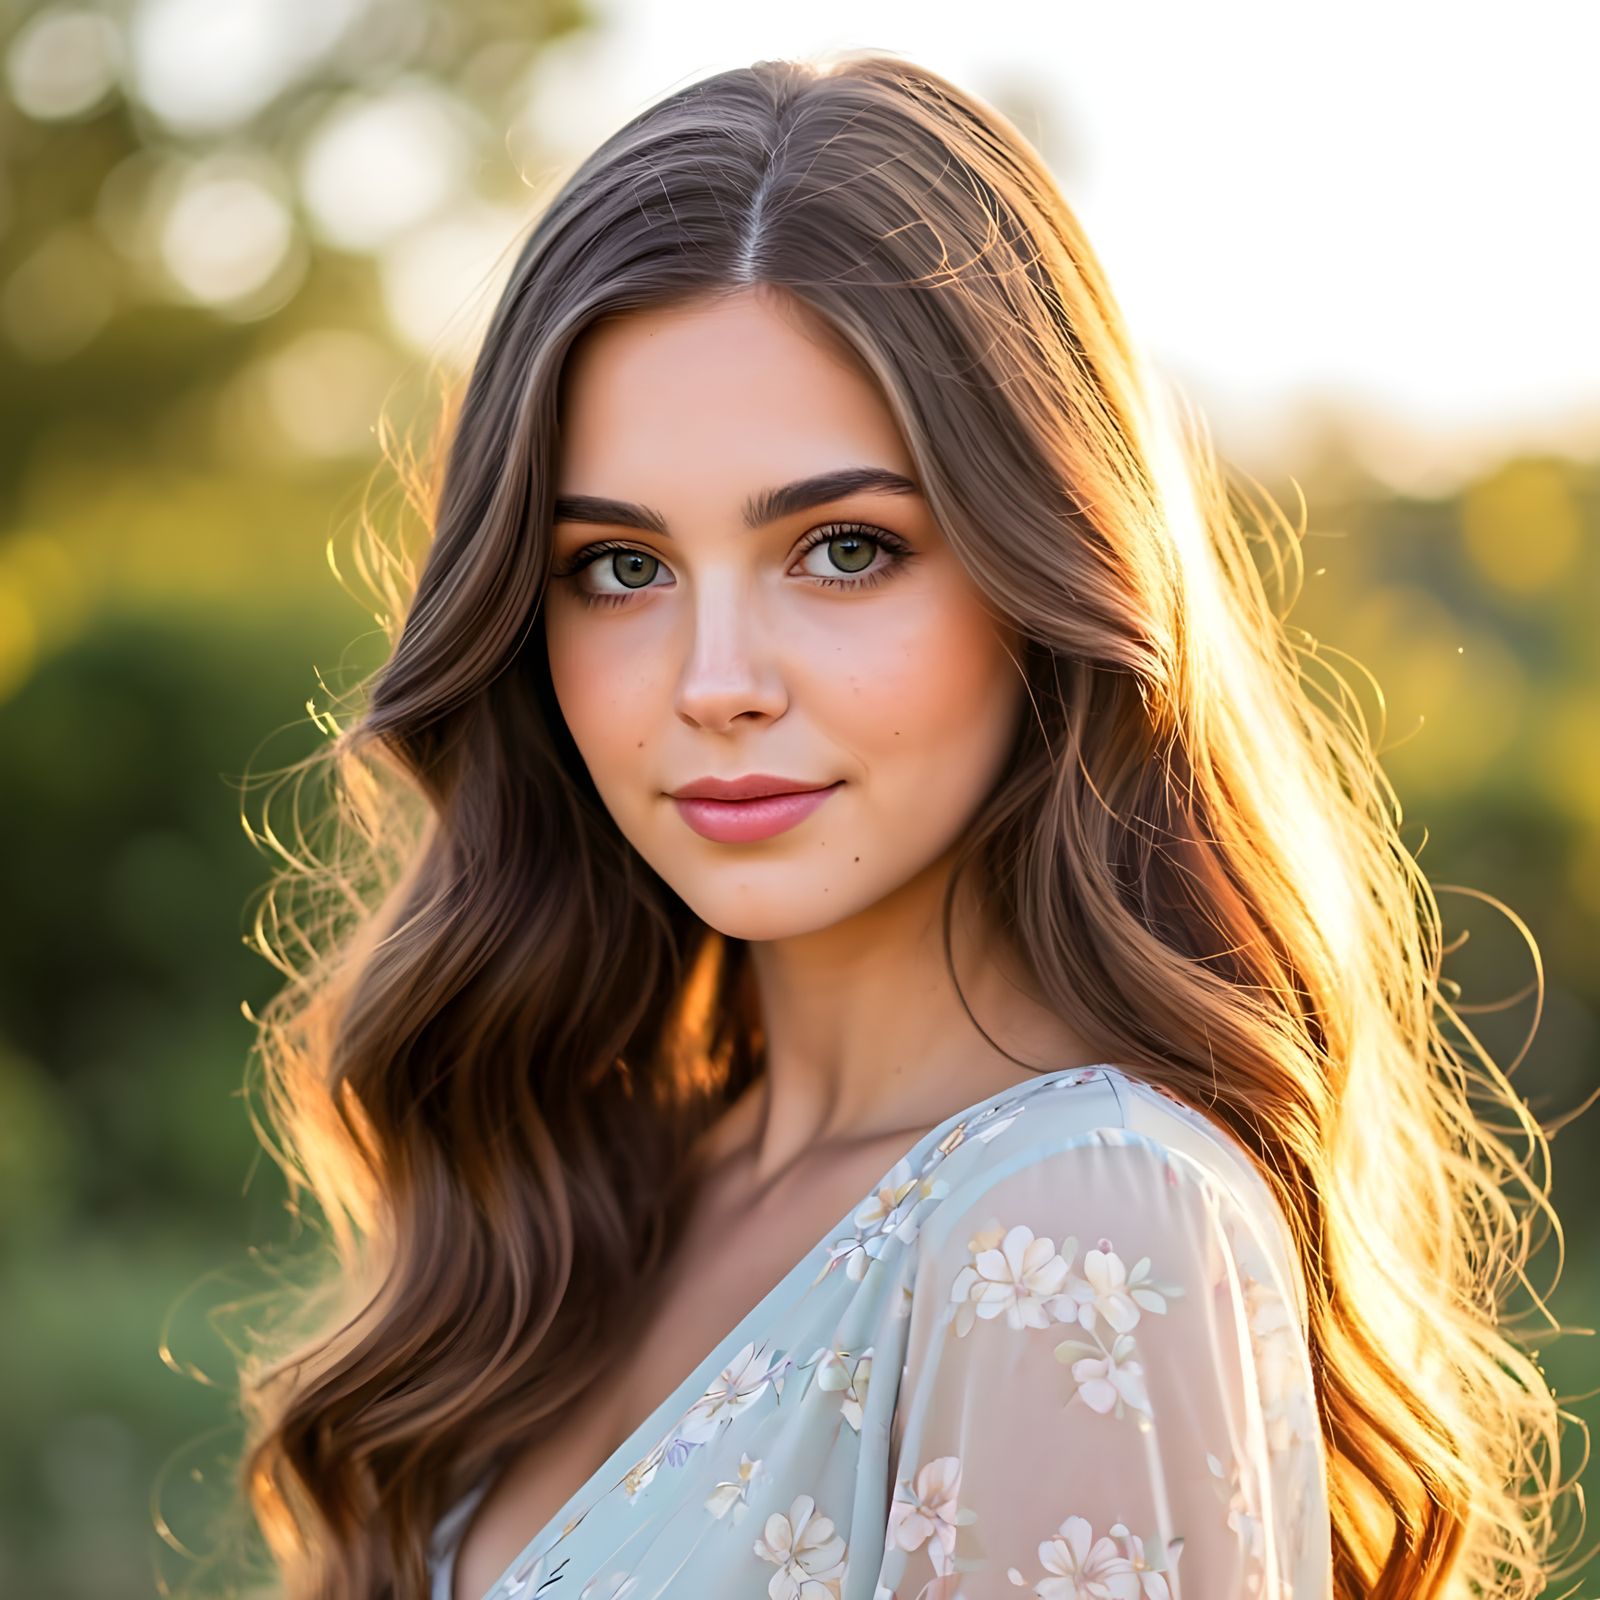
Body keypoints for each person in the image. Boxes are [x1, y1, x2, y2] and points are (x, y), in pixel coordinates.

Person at [232, 51, 1573, 1600]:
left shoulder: (1075, 1225)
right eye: (618, 566)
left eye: (846, 548)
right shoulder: (605, 1189)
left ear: (1046, 569)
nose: (715, 683)